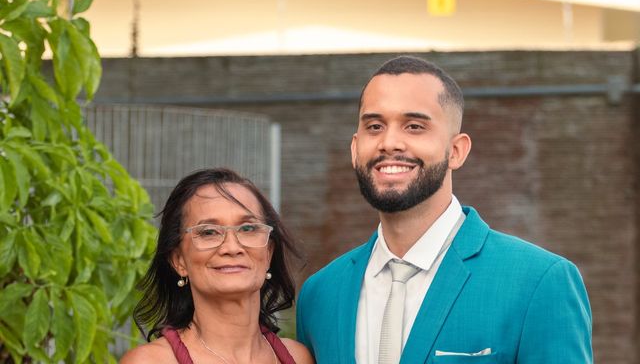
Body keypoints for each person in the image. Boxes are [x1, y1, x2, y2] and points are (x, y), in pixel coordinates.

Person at [296, 56, 592, 363]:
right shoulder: (320, 294)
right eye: (375, 126)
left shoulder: (540, 282)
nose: (389, 142)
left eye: (414, 126)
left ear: (456, 151)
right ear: (355, 148)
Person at [121, 168, 314, 364]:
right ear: (179, 260)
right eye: (209, 232)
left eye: (248, 228)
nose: (232, 247)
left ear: (268, 253)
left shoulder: (300, 357)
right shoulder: (151, 361)